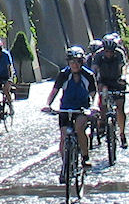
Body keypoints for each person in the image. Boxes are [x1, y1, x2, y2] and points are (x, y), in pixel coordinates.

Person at [41, 46, 97, 179]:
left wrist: (93, 106)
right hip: (66, 108)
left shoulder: (88, 75)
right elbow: (54, 91)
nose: (75, 65)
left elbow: (94, 94)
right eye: (72, 62)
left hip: (82, 108)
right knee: (64, 135)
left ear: (81, 62)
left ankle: (85, 157)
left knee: (79, 128)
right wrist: (48, 104)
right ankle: (65, 164)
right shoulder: (63, 74)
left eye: (77, 62)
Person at [92, 35, 129, 148]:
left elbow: (123, 67)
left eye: (111, 51)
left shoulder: (119, 54)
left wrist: (123, 77)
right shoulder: (98, 55)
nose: (109, 54)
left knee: (120, 108)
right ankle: (102, 120)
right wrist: (93, 81)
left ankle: (122, 134)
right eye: (107, 51)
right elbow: (94, 70)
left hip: (117, 81)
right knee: (102, 94)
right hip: (104, 81)